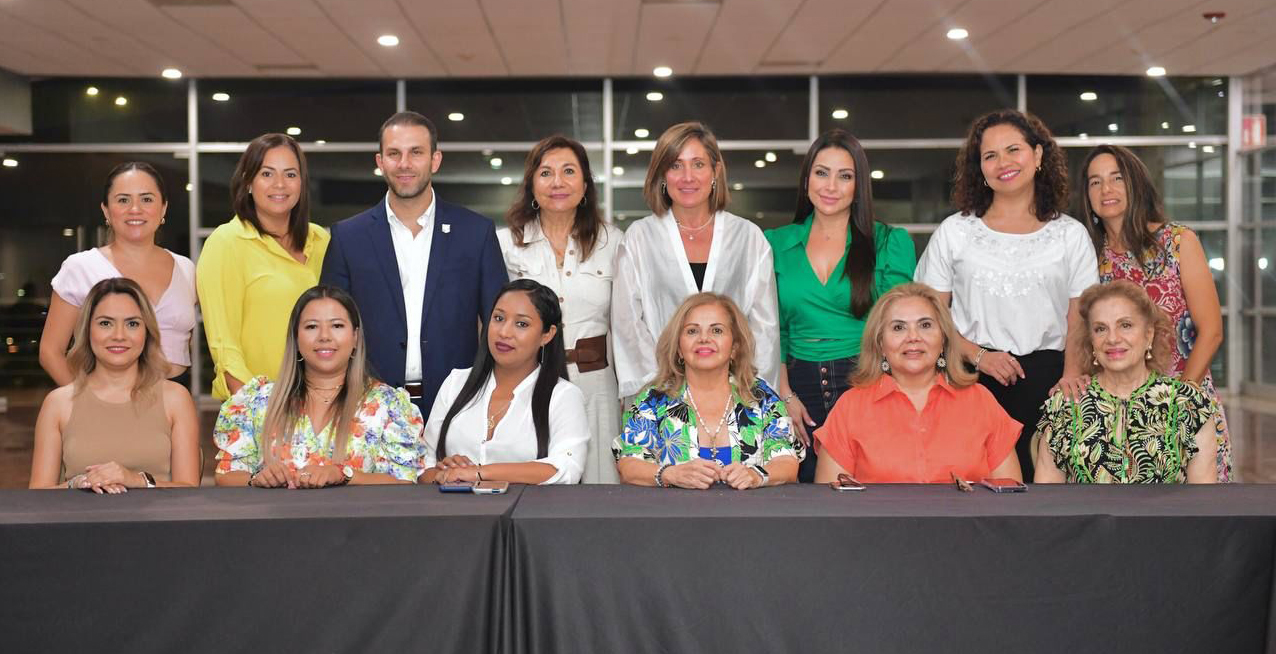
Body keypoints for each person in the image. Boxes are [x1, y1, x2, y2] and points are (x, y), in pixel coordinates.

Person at [915, 109, 1097, 481]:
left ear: (1038, 154)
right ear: (979, 168)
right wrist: (978, 355)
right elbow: (929, 314)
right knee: (969, 491)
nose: (1003, 163)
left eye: (1014, 150)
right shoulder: (955, 231)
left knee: (1043, 494)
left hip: (1051, 382)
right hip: (968, 379)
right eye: (990, 156)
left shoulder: (1071, 235)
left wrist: (1071, 375)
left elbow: (1080, 318)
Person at [321, 111, 507, 420]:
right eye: (394, 153)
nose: (404, 163)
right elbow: (330, 325)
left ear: (435, 160)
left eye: (416, 152)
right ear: (380, 162)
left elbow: (499, 322)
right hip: (367, 407)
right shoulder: (348, 237)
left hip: (458, 405)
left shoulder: (476, 233)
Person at [765, 129, 915, 483]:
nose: (831, 186)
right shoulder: (773, 243)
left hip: (868, 381)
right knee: (800, 498)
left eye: (845, 176)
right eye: (822, 173)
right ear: (806, 180)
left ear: (858, 186)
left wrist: (879, 392)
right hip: (796, 389)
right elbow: (773, 331)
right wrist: (784, 395)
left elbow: (898, 328)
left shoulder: (889, 242)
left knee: (873, 494)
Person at [1080, 144, 1232, 482]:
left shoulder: (1177, 242)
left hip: (1185, 403)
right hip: (1117, 415)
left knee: (1199, 509)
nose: (1106, 189)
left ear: (1135, 183)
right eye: (1095, 182)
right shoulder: (1088, 257)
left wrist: (1178, 401)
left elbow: (1211, 331)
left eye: (1116, 178)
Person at [612, 121, 780, 402]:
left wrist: (747, 389)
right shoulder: (639, 237)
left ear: (716, 171)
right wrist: (662, 386)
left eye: (698, 164)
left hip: (735, 395)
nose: (687, 177)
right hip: (660, 395)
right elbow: (627, 323)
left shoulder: (748, 237)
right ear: (662, 174)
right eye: (676, 165)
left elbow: (764, 326)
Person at [498, 135, 624, 483]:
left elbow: (626, 325)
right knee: (534, 484)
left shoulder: (613, 242)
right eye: (546, 173)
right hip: (528, 382)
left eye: (569, 171)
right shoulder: (505, 244)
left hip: (597, 387)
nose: (557, 182)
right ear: (531, 184)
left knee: (601, 485)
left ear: (585, 185)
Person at [213, 286, 425, 487]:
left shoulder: (388, 405)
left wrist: (345, 475)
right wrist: (257, 479)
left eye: (337, 326)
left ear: (355, 337)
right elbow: (226, 475)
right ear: (296, 338)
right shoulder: (258, 401)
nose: (324, 336)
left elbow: (404, 482)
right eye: (312, 326)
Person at [812, 284, 1022, 484]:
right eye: (898, 327)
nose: (913, 337)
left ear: (943, 339)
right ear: (880, 344)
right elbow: (831, 503)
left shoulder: (980, 401)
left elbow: (1010, 498)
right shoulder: (850, 408)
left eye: (925, 325)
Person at [1034, 281, 1218, 484]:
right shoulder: (1064, 406)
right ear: (1091, 340)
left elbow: (1203, 499)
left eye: (1125, 325)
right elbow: (1047, 498)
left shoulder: (1189, 404)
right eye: (1100, 329)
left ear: (1149, 334)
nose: (1112, 339)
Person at [613, 293, 801, 490]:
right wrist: (671, 474)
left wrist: (755, 476)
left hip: (749, 510)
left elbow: (787, 462)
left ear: (735, 347)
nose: (704, 338)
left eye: (717, 330)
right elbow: (628, 465)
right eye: (692, 331)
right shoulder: (652, 400)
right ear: (679, 348)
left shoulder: (762, 398)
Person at [30, 278, 200, 491]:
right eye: (105, 323)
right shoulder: (57, 403)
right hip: (78, 513)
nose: (119, 336)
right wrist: (78, 484)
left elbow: (189, 488)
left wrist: (136, 480)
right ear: (87, 330)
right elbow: (38, 494)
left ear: (147, 332)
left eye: (132, 324)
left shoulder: (176, 398)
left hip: (157, 514)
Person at [197, 133, 329, 400]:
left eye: (290, 174)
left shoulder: (320, 240)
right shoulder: (226, 243)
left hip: (321, 403)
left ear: (301, 183)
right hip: (259, 407)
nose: (280, 184)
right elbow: (225, 348)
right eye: (267, 174)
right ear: (248, 182)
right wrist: (257, 409)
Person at [420, 280, 589, 485]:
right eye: (498, 318)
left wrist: (479, 472)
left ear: (547, 335)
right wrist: (443, 475)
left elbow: (566, 469)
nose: (504, 332)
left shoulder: (563, 395)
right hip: (452, 506)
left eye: (521, 324)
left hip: (527, 507)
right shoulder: (456, 383)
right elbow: (423, 467)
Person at [41, 162, 196, 386]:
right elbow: (50, 352)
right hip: (103, 393)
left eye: (147, 199)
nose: (135, 209)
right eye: (123, 200)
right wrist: (84, 400)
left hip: (176, 394)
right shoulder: (80, 267)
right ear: (106, 210)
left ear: (163, 208)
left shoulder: (186, 268)